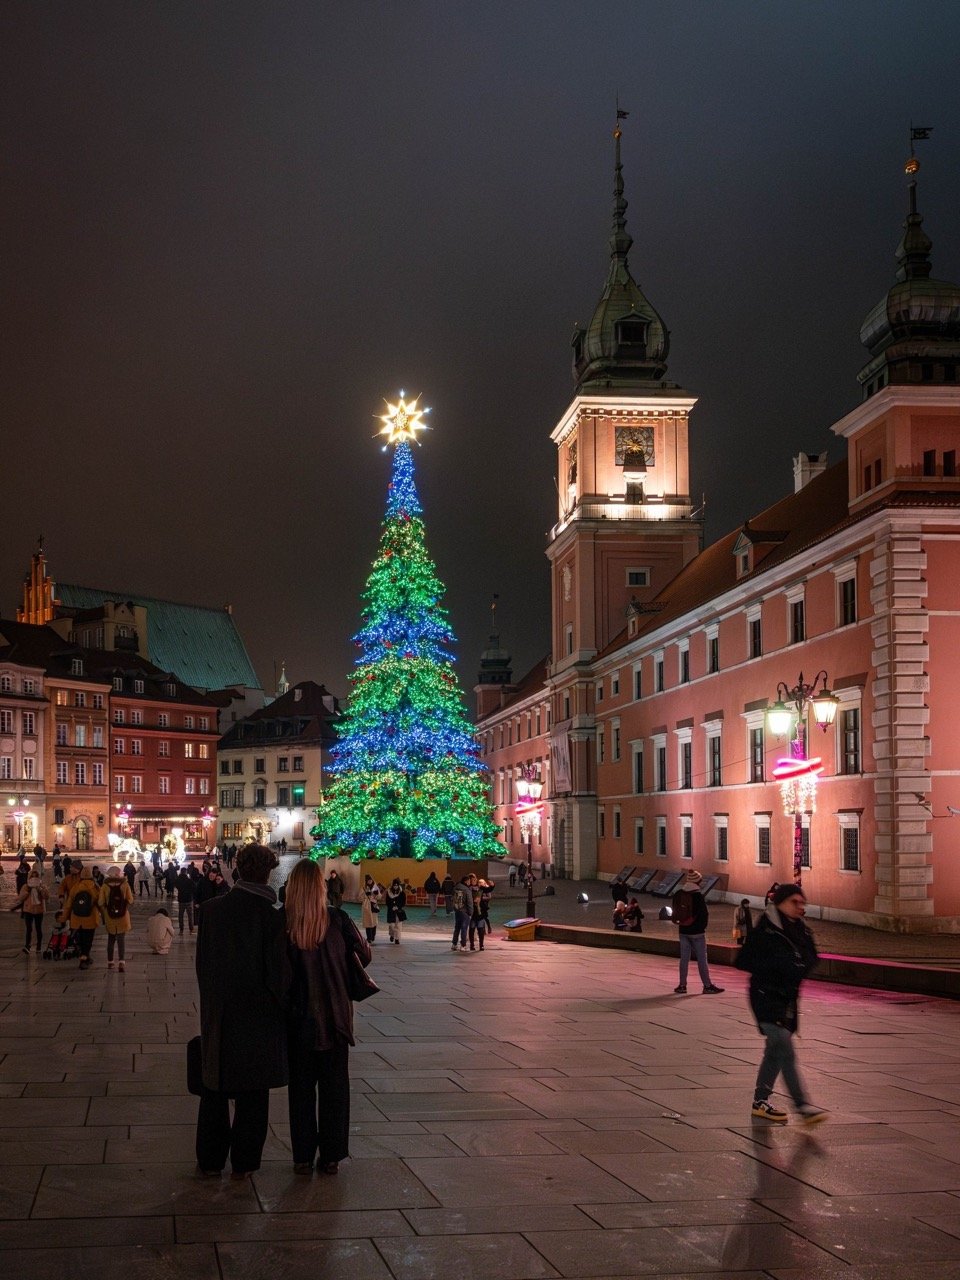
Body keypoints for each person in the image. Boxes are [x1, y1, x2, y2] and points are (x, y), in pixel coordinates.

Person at [195, 843, 290, 1179]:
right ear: (269, 872)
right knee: (253, 1098)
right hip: (258, 1022)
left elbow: (202, 971)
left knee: (214, 1092)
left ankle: (210, 1159)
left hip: (218, 1017)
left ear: (236, 867)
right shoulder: (273, 917)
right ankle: (246, 1162)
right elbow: (279, 976)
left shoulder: (210, 910)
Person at [283, 858, 370, 1175]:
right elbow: (364, 954)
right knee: (335, 1090)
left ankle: (303, 1156)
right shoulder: (338, 919)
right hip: (335, 1019)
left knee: (300, 1092)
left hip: (297, 1023)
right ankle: (331, 1155)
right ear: (320, 887)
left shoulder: (284, 923)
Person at [735, 883, 827, 1127]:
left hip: (787, 999)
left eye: (802, 903)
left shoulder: (801, 931)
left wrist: (796, 967)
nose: (800, 907)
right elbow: (743, 961)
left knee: (774, 1051)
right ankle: (802, 1106)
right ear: (780, 903)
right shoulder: (765, 930)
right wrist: (780, 966)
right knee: (784, 1050)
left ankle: (760, 1102)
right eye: (794, 902)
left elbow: (811, 958)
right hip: (765, 996)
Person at [671, 869, 724, 995]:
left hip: (683, 930)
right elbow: (704, 914)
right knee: (702, 959)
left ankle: (682, 986)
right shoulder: (698, 896)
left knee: (684, 959)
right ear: (697, 882)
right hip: (697, 933)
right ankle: (707, 985)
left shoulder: (679, 893)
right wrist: (702, 927)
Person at [58, 863, 102, 969]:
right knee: (88, 939)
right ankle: (84, 958)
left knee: (81, 939)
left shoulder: (76, 887)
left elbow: (69, 904)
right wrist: (105, 916)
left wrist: (64, 917)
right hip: (90, 918)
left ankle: (85, 956)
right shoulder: (95, 887)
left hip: (76, 919)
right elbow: (100, 903)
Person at [99, 864, 134, 972]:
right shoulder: (125, 884)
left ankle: (110, 962)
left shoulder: (105, 886)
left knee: (111, 939)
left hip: (110, 916)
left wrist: (105, 910)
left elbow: (100, 902)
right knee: (121, 940)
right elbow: (130, 899)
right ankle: (121, 962)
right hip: (122, 916)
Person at [10, 867, 48, 954]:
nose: (34, 879)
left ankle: (39, 946)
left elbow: (46, 897)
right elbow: (21, 898)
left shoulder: (42, 886)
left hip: (39, 910)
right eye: (32, 877)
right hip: (28, 910)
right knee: (29, 929)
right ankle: (27, 945)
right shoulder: (26, 886)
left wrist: (40, 890)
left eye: (36, 877)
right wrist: (28, 891)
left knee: (38, 929)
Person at [451, 875, 474, 953]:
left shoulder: (456, 888)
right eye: (469, 881)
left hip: (457, 910)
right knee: (464, 928)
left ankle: (454, 944)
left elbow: (452, 899)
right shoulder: (467, 890)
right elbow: (470, 902)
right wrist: (470, 913)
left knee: (457, 927)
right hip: (465, 912)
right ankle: (463, 945)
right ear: (466, 881)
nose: (470, 883)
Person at [385, 877, 406, 945]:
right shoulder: (389, 892)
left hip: (399, 911)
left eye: (397, 885)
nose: (395, 886)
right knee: (391, 925)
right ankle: (392, 935)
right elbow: (387, 902)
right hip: (391, 911)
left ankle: (397, 939)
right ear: (392, 885)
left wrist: (398, 907)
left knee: (398, 926)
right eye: (394, 885)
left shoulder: (402, 893)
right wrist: (392, 907)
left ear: (398, 885)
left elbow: (403, 902)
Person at [176, 865, 196, 935]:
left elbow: (176, 886)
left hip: (181, 900)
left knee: (180, 915)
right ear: (186, 872)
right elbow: (194, 888)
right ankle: (191, 929)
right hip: (188, 900)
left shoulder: (178, 880)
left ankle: (181, 930)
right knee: (190, 915)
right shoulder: (189, 880)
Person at [360, 874, 380, 944]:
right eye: (368, 880)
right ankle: (369, 938)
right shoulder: (364, 888)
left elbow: (379, 897)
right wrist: (365, 895)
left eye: (370, 880)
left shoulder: (375, 887)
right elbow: (359, 897)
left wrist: (376, 894)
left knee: (374, 923)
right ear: (366, 881)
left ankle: (373, 936)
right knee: (368, 923)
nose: (370, 881)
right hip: (367, 907)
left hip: (374, 905)